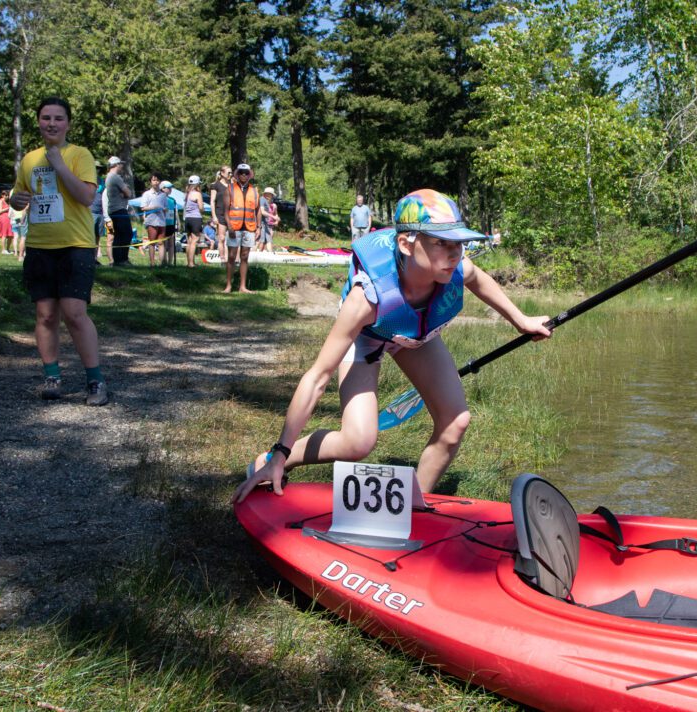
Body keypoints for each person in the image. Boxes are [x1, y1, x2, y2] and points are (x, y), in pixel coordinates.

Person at [232, 189, 551, 505]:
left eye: (459, 243)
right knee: (357, 442)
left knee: (456, 422)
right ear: (406, 244)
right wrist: (281, 450)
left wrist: (520, 320)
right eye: (441, 243)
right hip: (368, 337)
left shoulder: (455, 268)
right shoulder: (367, 297)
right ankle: (277, 461)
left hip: (413, 335)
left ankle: (414, 505)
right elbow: (317, 377)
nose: (454, 254)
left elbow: (477, 278)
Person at [10, 96, 109, 406]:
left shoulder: (79, 155)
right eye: (46, 117)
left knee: (75, 314)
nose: (51, 123)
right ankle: (52, 376)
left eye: (58, 118)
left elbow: (85, 196)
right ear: (38, 121)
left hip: (76, 245)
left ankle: (95, 381)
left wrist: (59, 165)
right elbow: (18, 194)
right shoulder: (29, 160)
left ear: (68, 123)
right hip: (40, 245)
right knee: (45, 314)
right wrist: (16, 200)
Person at [224, 162, 259, 293]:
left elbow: (258, 210)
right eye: (241, 173)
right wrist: (229, 226)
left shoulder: (254, 191)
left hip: (249, 228)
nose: (243, 175)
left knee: (245, 256)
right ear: (237, 175)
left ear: (249, 175)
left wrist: (259, 227)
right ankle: (228, 286)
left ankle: (242, 287)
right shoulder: (230, 188)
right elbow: (225, 210)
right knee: (232, 256)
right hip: (234, 227)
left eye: (246, 173)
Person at [104, 156, 133, 266]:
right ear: (116, 165)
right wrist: (124, 193)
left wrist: (123, 193)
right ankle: (122, 259)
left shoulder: (108, 177)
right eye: (120, 164)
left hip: (113, 209)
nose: (122, 166)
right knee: (126, 234)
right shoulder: (116, 177)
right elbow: (128, 193)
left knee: (118, 235)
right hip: (119, 209)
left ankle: (117, 260)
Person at [139, 174, 167, 266]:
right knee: (152, 242)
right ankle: (152, 263)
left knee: (161, 242)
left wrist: (163, 209)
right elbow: (143, 208)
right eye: (154, 180)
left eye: (157, 180)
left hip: (161, 221)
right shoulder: (147, 194)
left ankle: (162, 263)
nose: (156, 182)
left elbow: (166, 208)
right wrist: (153, 207)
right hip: (151, 221)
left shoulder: (163, 195)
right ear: (150, 182)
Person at [209, 165, 231, 261]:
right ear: (222, 173)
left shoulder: (232, 185)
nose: (230, 174)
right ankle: (222, 259)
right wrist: (214, 216)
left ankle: (229, 258)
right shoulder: (215, 185)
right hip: (220, 213)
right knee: (221, 238)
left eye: (231, 173)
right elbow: (212, 201)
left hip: (231, 215)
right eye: (228, 172)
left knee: (230, 239)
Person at [183, 175, 204, 268]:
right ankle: (191, 263)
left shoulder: (187, 193)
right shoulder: (197, 194)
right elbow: (201, 207)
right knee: (194, 241)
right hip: (195, 218)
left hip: (187, 218)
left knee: (189, 241)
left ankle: (189, 262)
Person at [161, 181, 178, 265]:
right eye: (168, 188)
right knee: (163, 243)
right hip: (162, 224)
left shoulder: (172, 200)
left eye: (171, 188)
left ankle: (170, 262)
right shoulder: (160, 198)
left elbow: (175, 212)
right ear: (163, 188)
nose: (170, 189)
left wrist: (178, 222)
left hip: (171, 224)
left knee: (171, 243)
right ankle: (163, 261)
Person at [258, 186, 277, 252]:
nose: (271, 196)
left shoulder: (267, 201)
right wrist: (273, 216)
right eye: (270, 194)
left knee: (269, 239)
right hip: (261, 223)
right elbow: (262, 211)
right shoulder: (262, 199)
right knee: (261, 240)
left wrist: (276, 218)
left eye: (271, 195)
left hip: (266, 223)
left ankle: (271, 254)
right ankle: (254, 254)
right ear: (266, 194)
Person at [10, 197, 27, 261]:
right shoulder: (25, 204)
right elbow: (25, 211)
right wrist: (22, 220)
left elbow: (9, 215)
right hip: (23, 220)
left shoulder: (13, 205)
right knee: (23, 237)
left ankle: (17, 252)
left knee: (17, 237)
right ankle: (22, 254)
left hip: (15, 221)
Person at [0, 189, 13, 255]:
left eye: (8, 195)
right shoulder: (0, 201)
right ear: (2, 195)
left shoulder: (9, 201)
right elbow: (0, 211)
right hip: (3, 218)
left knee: (11, 235)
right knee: (4, 234)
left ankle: (8, 249)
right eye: (5, 195)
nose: (7, 196)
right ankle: (3, 249)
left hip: (10, 218)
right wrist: (8, 208)